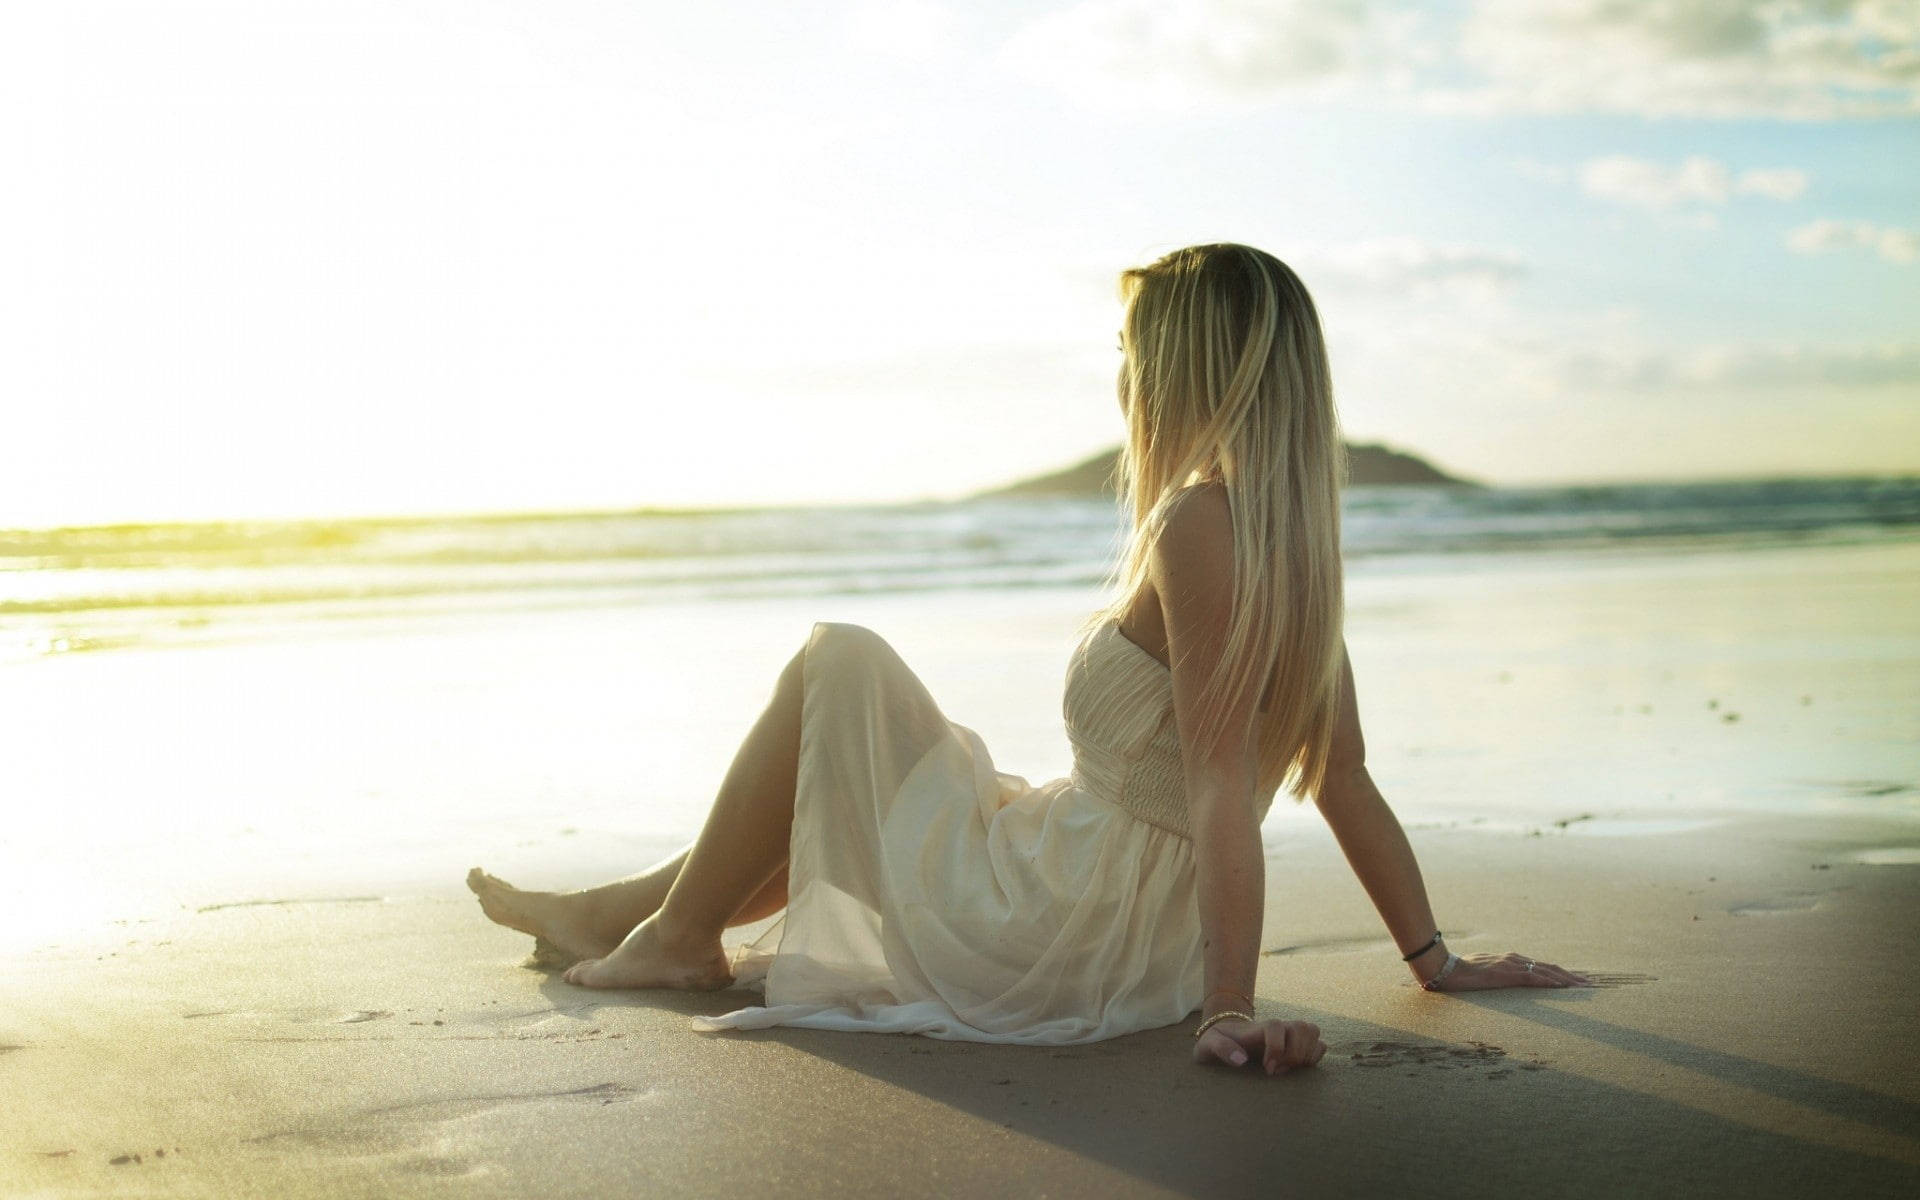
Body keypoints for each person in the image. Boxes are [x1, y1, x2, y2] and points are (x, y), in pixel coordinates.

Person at [468, 242, 1590, 1077]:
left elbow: (1216, 787)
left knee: (838, 663)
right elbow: (1340, 779)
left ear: (1181, 367)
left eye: (1129, 352)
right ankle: (617, 913)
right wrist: (1433, 959)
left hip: (1066, 924)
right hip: (1127, 931)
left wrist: (1228, 1008)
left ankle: (671, 935)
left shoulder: (1200, 524)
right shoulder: (1296, 551)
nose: (1121, 376)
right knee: (909, 772)